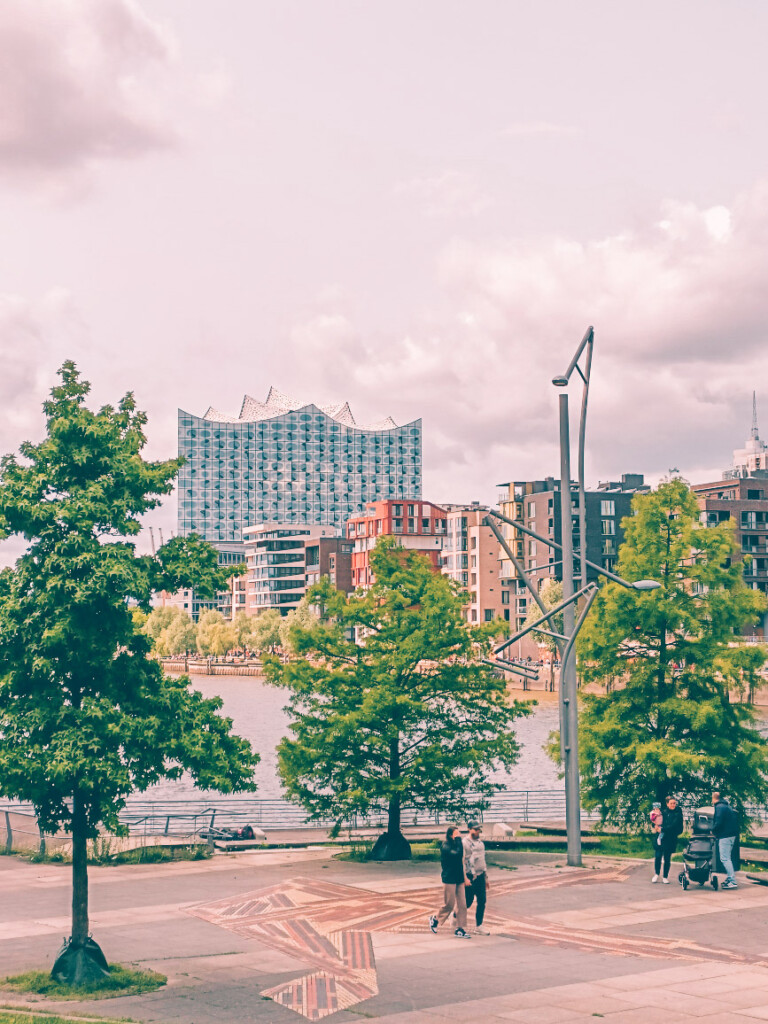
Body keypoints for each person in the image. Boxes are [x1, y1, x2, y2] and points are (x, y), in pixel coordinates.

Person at [429, 825, 472, 938]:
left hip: (459, 878)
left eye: (459, 834)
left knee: (462, 904)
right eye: (456, 834)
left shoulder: (457, 845)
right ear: (450, 835)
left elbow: (461, 860)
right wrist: (458, 841)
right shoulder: (445, 846)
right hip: (449, 878)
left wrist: (465, 877)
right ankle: (435, 919)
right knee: (450, 904)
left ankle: (460, 929)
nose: (459, 836)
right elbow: (456, 855)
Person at [463, 822, 490, 935]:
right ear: (469, 829)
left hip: (480, 876)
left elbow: (483, 861)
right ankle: (454, 915)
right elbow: (462, 861)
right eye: (475, 829)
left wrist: (486, 878)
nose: (477, 832)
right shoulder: (464, 843)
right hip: (469, 876)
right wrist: (464, 878)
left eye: (478, 829)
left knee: (482, 900)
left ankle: (479, 926)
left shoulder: (480, 844)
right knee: (468, 902)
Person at [652, 795, 683, 884]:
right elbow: (657, 820)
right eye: (671, 803)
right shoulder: (663, 812)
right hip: (661, 838)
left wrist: (662, 829)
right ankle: (656, 874)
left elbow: (673, 826)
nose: (673, 805)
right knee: (658, 856)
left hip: (670, 839)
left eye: (674, 803)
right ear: (667, 804)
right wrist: (655, 825)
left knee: (667, 858)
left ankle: (665, 877)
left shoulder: (678, 813)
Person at [712, 791, 739, 890]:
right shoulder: (726, 806)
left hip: (725, 836)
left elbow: (718, 821)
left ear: (714, 799)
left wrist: (713, 831)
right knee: (727, 858)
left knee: (725, 858)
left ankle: (732, 880)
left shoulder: (719, 807)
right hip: (732, 835)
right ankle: (729, 878)